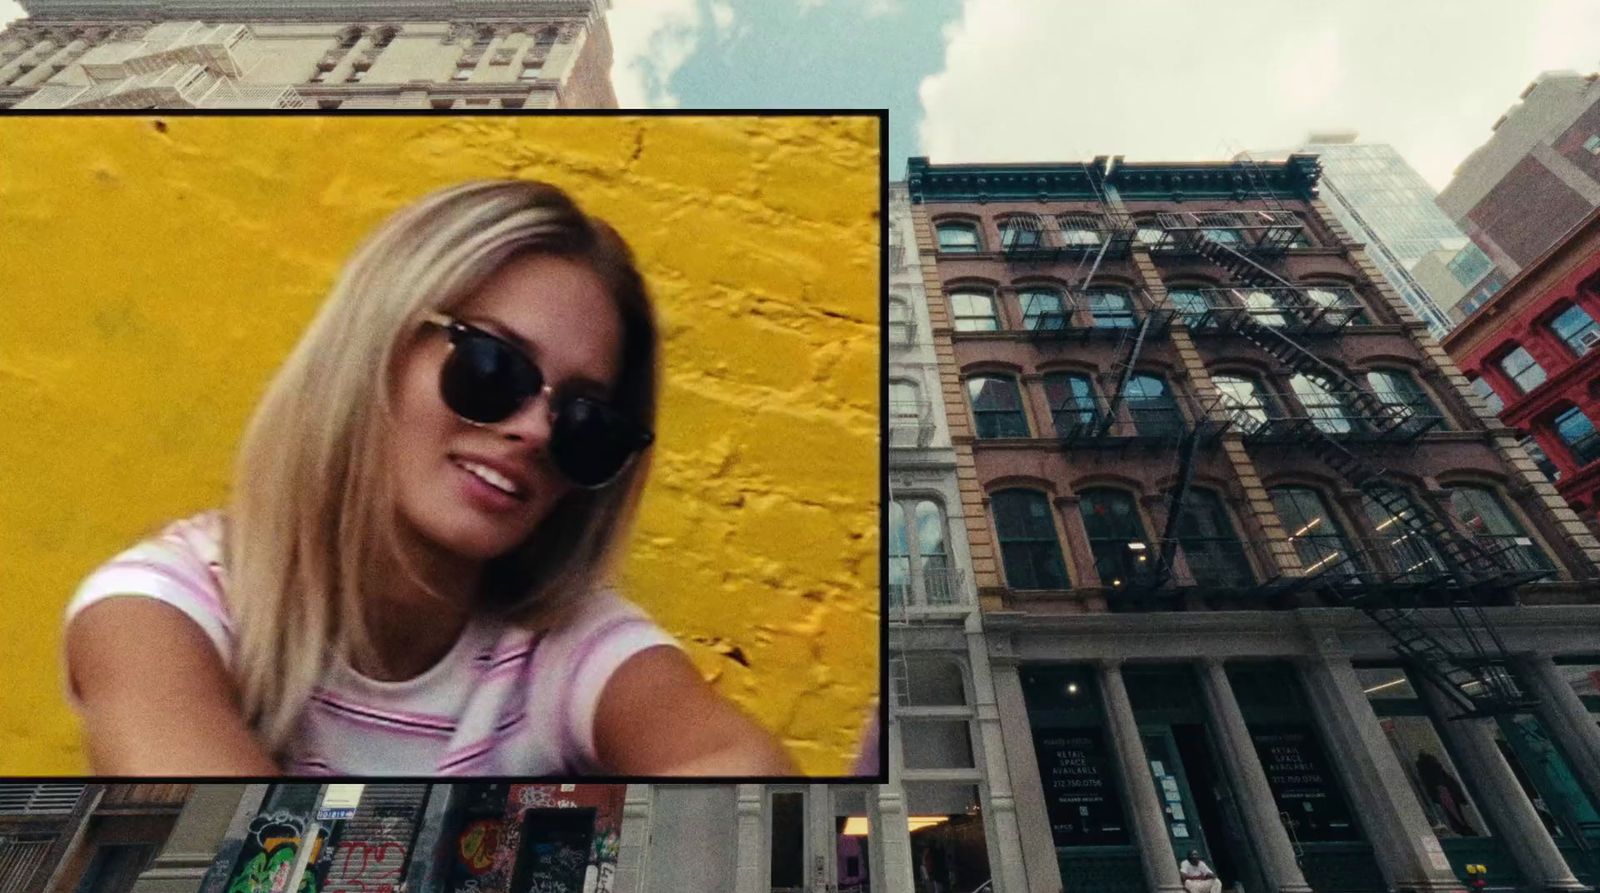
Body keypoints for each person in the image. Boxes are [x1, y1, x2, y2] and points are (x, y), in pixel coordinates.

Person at [64, 179, 796, 776]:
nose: (535, 430)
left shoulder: (559, 647)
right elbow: (228, 854)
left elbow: (750, 792)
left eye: (585, 421)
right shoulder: (164, 605)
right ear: (376, 346)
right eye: (493, 366)